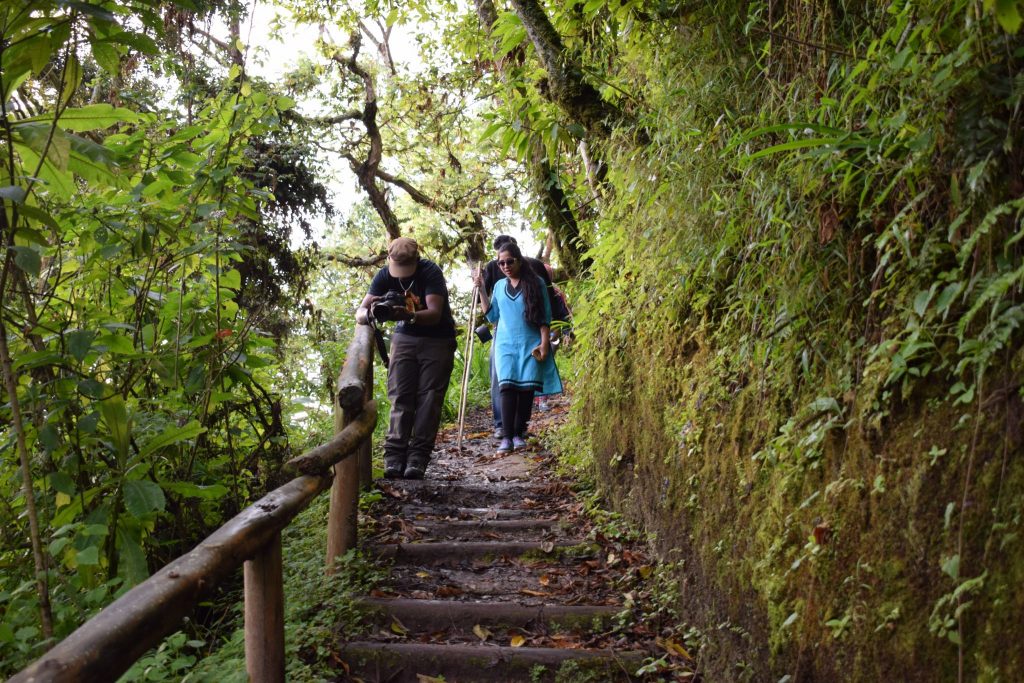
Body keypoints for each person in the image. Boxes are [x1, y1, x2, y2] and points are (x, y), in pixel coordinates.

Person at [356, 237, 457, 479]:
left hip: (437, 340)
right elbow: (360, 311)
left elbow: (434, 313)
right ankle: (394, 458)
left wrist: (408, 314)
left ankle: (418, 459)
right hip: (404, 339)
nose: (400, 274)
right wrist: (371, 312)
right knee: (400, 395)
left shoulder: (430, 272)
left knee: (429, 399)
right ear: (389, 260)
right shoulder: (383, 276)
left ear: (416, 260)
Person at [475, 242, 562, 452]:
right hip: (504, 343)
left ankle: (518, 431)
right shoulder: (498, 286)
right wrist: (480, 290)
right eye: (501, 262)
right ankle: (506, 436)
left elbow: (544, 316)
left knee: (525, 389)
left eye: (509, 261)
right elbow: (492, 315)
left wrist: (544, 343)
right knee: (506, 387)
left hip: (530, 342)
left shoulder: (537, 283)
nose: (505, 266)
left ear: (519, 260)